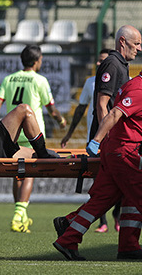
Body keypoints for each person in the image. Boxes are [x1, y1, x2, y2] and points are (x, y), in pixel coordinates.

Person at [53, 52, 142, 263]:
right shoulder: (138, 89)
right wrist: (96, 140)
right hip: (128, 154)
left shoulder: (138, 86)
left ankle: (71, 238)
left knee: (106, 200)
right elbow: (115, 114)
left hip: (117, 152)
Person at [0, 45, 67, 233]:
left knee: (17, 173)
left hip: (12, 132)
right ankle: (18, 215)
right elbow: (51, 108)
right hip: (31, 133)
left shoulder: (9, 79)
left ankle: (21, 215)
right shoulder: (40, 80)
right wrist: (61, 120)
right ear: (37, 61)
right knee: (30, 172)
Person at [60, 48, 112, 233]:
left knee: (116, 179)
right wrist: (69, 134)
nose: (98, 64)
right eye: (97, 61)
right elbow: (81, 109)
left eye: (102, 60)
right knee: (99, 180)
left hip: (113, 138)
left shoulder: (120, 81)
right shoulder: (90, 83)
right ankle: (103, 222)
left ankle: (118, 216)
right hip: (94, 139)